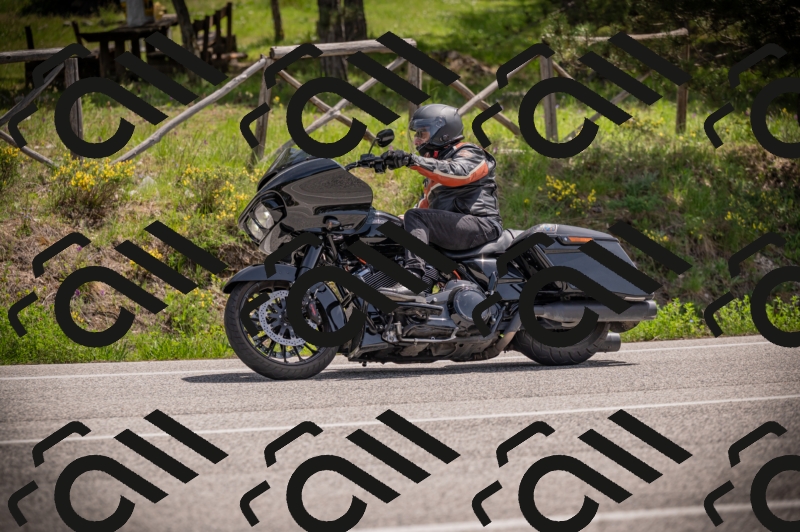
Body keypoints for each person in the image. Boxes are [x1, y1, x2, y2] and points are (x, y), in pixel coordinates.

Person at [378, 103, 503, 296]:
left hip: (482, 224)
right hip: (455, 227)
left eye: (422, 133)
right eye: (416, 134)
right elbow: (425, 206)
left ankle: (412, 279)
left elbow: (459, 173)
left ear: (443, 133)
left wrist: (413, 160)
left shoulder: (470, 153)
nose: (417, 140)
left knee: (415, 217)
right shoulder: (436, 168)